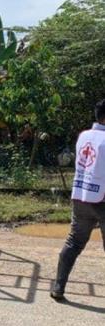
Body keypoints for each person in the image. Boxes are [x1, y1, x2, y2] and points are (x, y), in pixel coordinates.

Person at [51, 100, 105, 301]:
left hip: (81, 196)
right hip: (102, 200)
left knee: (74, 242)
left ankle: (58, 286)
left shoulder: (84, 136)